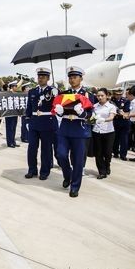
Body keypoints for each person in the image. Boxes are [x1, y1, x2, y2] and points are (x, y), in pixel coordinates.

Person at [54, 66, 96, 198]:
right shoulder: (64, 94)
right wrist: (59, 112)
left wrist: (82, 113)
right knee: (60, 155)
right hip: (65, 128)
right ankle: (68, 175)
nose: (72, 80)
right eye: (70, 77)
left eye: (75, 77)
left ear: (81, 78)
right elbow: (58, 111)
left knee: (78, 160)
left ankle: (75, 186)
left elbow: (92, 116)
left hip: (80, 130)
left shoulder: (88, 95)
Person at [25, 67, 58, 180]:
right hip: (34, 122)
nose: (40, 79)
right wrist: (27, 120)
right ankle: (32, 170)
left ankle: (44, 171)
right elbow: (29, 107)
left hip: (47, 122)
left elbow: (57, 105)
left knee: (46, 149)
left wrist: (56, 94)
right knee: (32, 148)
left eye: (43, 77)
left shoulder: (53, 91)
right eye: (39, 76)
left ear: (48, 78)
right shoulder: (32, 91)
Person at [92, 88, 116, 179]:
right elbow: (91, 118)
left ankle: (107, 165)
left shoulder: (111, 106)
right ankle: (102, 171)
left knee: (108, 152)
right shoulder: (94, 106)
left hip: (108, 132)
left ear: (107, 96)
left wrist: (103, 120)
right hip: (97, 131)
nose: (100, 97)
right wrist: (92, 120)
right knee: (98, 153)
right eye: (98, 96)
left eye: (102, 95)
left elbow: (111, 117)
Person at [111, 88, 130, 161]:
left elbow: (126, 111)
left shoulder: (126, 101)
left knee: (124, 140)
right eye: (116, 94)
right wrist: (119, 112)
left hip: (124, 122)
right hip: (115, 122)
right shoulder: (112, 101)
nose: (118, 96)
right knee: (115, 139)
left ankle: (123, 155)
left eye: (119, 94)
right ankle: (115, 152)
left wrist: (119, 112)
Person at [4, 80, 21, 148]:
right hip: (9, 114)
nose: (16, 87)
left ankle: (13, 141)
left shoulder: (16, 94)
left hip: (15, 113)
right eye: (15, 86)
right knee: (9, 128)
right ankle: (10, 142)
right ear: (11, 87)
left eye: (16, 86)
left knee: (14, 128)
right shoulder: (7, 94)